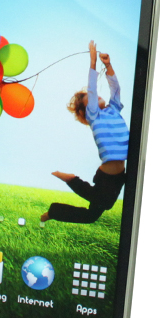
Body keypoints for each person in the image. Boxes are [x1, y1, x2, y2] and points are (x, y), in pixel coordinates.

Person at [41, 41, 128, 224]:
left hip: (116, 175)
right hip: (109, 177)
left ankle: (63, 194)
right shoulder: (94, 116)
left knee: (94, 212)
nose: (97, 96)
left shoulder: (113, 109)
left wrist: (108, 65)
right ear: (87, 110)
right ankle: (70, 184)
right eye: (91, 98)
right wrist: (93, 61)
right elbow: (92, 89)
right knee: (97, 211)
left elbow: (115, 89)